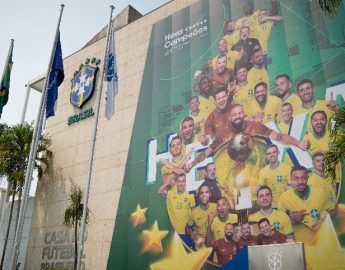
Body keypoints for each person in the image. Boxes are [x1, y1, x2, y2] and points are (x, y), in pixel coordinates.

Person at [279, 166, 337, 245]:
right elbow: (279, 221)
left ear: (307, 178)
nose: (300, 182)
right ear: (291, 180)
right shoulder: (284, 198)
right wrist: (291, 218)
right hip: (299, 243)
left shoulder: (321, 192)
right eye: (296, 179)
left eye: (303, 178)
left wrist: (322, 220)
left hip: (322, 241)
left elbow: (334, 211)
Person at [186, 185, 217, 249]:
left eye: (206, 192)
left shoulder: (217, 207)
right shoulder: (193, 213)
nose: (204, 195)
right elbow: (187, 228)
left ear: (210, 194)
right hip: (200, 247)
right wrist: (190, 232)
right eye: (201, 193)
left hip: (214, 245)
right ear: (199, 196)